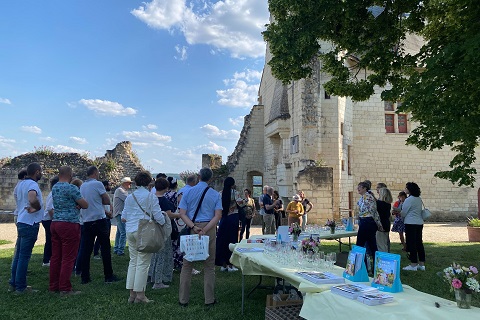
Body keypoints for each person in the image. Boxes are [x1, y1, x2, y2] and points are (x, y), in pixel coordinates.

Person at [178, 168, 222, 307]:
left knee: (187, 265)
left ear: (199, 176)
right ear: (210, 179)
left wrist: (193, 227)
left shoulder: (188, 191)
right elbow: (218, 215)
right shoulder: (215, 194)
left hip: (193, 227)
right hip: (208, 227)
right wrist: (206, 229)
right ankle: (209, 299)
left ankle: (183, 299)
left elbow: (182, 213)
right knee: (209, 265)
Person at [122, 171, 166, 303]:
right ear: (149, 183)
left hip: (130, 230)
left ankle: (132, 294)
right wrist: (163, 223)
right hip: (144, 231)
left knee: (133, 262)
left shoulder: (130, 196)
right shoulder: (150, 196)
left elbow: (124, 217)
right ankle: (140, 295)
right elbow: (158, 215)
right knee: (143, 263)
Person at [49, 166, 88, 295]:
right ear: (70, 174)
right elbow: (85, 204)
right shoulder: (72, 188)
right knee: (68, 257)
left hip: (55, 222)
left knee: (56, 257)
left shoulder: (54, 188)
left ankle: (53, 285)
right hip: (69, 223)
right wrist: (76, 205)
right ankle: (65, 287)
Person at [79, 166, 118, 284]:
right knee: (105, 248)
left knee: (86, 250)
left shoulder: (82, 186)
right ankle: (108, 275)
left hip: (86, 220)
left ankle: (85, 277)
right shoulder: (98, 184)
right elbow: (106, 200)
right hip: (99, 219)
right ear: (95, 173)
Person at [9, 162, 43, 293]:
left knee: (18, 255)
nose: (42, 174)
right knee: (24, 256)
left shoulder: (20, 184)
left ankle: (13, 283)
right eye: (41, 172)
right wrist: (37, 207)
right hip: (30, 222)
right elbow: (32, 197)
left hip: (22, 221)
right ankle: (21, 287)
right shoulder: (32, 184)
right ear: (36, 172)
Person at [149, 178, 177, 289]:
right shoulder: (163, 201)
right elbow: (169, 214)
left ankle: (151, 275)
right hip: (162, 230)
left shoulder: (151, 198)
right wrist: (179, 215)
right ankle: (158, 281)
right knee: (162, 255)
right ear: (166, 187)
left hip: (152, 229)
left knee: (153, 255)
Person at [215, 177, 242, 272]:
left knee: (223, 241)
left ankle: (223, 264)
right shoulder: (235, 193)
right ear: (232, 184)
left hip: (224, 218)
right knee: (232, 240)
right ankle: (231, 264)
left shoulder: (220, 193)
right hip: (233, 217)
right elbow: (241, 204)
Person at [356, 181, 383, 269]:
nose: (358, 189)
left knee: (361, 244)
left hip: (367, 222)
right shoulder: (363, 197)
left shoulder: (368, 197)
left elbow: (372, 211)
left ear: (365, 188)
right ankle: (372, 266)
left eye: (360, 187)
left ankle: (362, 266)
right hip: (365, 222)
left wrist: (378, 223)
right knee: (371, 245)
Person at [399, 182, 426, 271]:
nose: (405, 189)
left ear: (409, 190)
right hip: (419, 222)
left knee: (411, 243)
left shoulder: (409, 199)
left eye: (406, 188)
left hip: (410, 223)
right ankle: (422, 264)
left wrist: (398, 212)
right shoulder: (418, 199)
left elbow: (404, 212)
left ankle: (413, 264)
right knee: (419, 242)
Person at [41, 176, 59, 267]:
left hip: (49, 219)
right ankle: (46, 260)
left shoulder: (53, 193)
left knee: (51, 239)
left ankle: (48, 258)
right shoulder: (53, 194)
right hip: (49, 220)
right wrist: (55, 220)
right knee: (50, 240)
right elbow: (50, 208)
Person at [93, 180, 112, 259]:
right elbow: (100, 206)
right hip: (103, 217)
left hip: (108, 217)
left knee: (106, 237)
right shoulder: (100, 195)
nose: (110, 187)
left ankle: (103, 253)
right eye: (109, 185)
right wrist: (107, 213)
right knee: (100, 237)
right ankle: (96, 253)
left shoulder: (107, 194)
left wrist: (111, 212)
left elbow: (110, 204)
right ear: (105, 186)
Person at [113, 177, 131, 256]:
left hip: (119, 213)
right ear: (125, 183)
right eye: (129, 183)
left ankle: (116, 248)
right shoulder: (120, 190)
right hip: (120, 213)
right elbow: (128, 200)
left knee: (119, 232)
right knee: (123, 232)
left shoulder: (122, 190)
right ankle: (120, 250)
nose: (130, 185)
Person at [376, 187, 393, 252]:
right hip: (386, 223)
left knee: (380, 244)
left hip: (380, 224)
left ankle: (383, 259)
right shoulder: (388, 204)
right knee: (384, 243)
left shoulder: (379, 203)